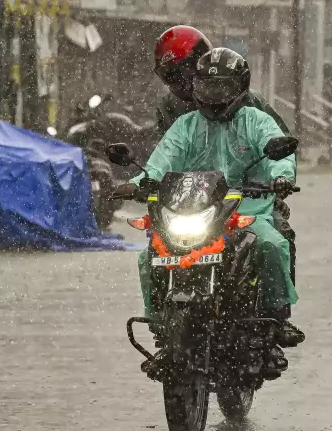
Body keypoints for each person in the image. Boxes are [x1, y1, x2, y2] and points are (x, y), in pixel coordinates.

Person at [116, 48, 305, 370]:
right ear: (195, 89)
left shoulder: (257, 121)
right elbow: (160, 162)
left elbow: (280, 149)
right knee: (150, 257)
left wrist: (282, 177)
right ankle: (163, 328)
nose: (214, 95)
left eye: (222, 88)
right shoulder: (185, 126)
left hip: (249, 209)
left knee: (273, 244)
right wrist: (138, 182)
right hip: (192, 210)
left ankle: (275, 320)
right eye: (206, 88)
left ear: (240, 87)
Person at [152, 25, 297, 283]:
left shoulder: (252, 109)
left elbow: (279, 145)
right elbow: (165, 154)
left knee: (274, 242)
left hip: (247, 197)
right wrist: (145, 182)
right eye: (171, 77)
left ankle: (274, 310)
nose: (179, 84)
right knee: (153, 252)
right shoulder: (172, 111)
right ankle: (160, 315)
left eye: (182, 73)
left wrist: (277, 180)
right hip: (191, 201)